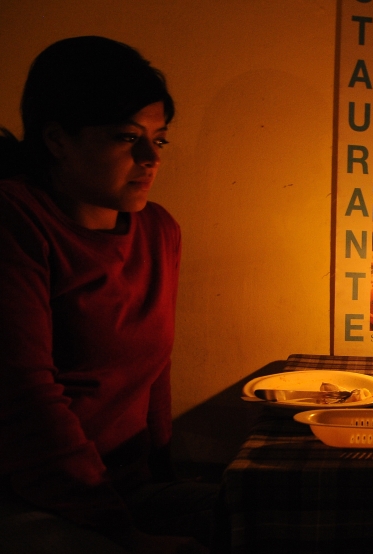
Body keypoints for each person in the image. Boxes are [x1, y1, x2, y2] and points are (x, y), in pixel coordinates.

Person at [0, 37, 218, 553]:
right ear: (57, 140)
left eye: (159, 140)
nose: (150, 158)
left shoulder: (158, 229)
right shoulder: (17, 220)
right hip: (32, 493)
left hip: (124, 488)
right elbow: (25, 399)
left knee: (274, 514)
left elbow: (154, 373)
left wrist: (164, 479)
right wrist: (124, 533)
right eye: (127, 138)